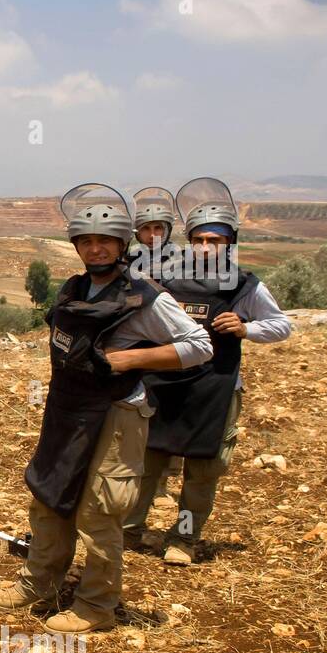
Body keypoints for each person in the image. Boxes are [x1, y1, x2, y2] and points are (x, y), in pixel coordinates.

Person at [0, 184, 211, 633]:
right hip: (67, 409)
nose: (96, 247)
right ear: (77, 246)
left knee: (98, 509)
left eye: (105, 240)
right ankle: (39, 584)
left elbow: (199, 345)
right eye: (86, 240)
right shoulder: (73, 289)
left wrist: (133, 358)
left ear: (122, 243)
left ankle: (96, 606)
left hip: (117, 413)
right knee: (49, 495)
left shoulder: (146, 297)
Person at [124, 177, 291, 564]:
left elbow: (281, 325)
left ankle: (183, 539)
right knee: (148, 461)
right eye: (198, 239)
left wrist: (247, 328)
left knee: (202, 468)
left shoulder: (245, 285)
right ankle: (130, 529)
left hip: (215, 387)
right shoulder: (167, 276)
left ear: (229, 243)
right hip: (163, 383)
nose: (204, 247)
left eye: (214, 241)